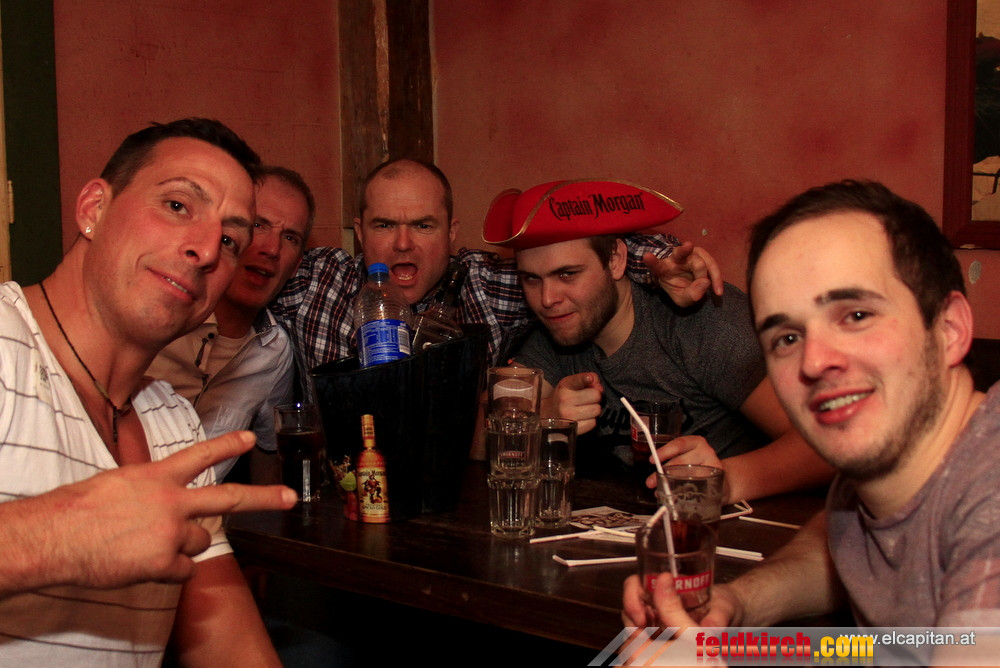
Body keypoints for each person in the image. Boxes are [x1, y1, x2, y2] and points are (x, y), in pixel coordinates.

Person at [624, 180, 1000, 641]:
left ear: (948, 329)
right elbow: (842, 539)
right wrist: (737, 604)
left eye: (856, 316)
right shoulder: (879, 476)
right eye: (787, 338)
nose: (814, 361)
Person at [0, 118, 297, 665]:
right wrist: (58, 536)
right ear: (94, 209)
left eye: (230, 240)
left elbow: (232, 649)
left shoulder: (175, 426)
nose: (207, 250)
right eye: (178, 206)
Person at [489, 180, 831, 502]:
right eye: (531, 279)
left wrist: (724, 480)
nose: (547, 298)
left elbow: (825, 443)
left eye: (567, 274)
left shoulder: (702, 321)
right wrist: (542, 416)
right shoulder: (558, 329)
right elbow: (481, 439)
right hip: (639, 525)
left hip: (749, 526)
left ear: (615, 260)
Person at [272, 159, 723, 370]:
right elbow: (255, 261)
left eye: (424, 226)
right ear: (360, 231)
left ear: (451, 233)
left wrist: (661, 262)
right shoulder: (320, 281)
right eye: (385, 225)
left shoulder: (483, 284)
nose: (403, 244)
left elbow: (573, 249)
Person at [148, 166, 314, 480]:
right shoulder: (155, 317)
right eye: (258, 224)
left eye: (290, 237)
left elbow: (268, 457)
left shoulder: (274, 353)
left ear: (296, 266)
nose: (272, 248)